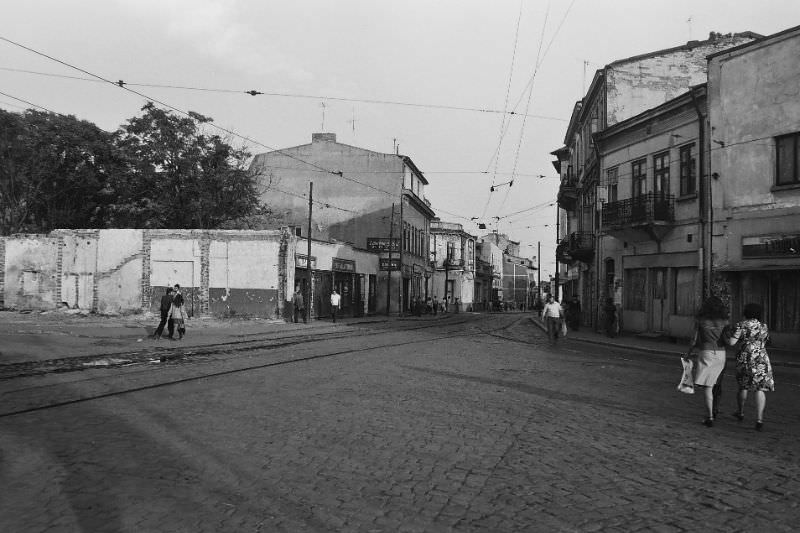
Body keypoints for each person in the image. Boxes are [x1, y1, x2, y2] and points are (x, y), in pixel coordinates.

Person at [726, 303, 774, 431]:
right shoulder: (764, 326)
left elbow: (732, 342)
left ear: (745, 312)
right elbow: (767, 340)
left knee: (743, 386)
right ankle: (759, 419)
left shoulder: (741, 325)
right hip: (761, 359)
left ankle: (740, 412)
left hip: (745, 358)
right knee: (760, 388)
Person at [687, 296, 730, 427]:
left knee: (707, 386)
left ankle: (709, 416)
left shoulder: (700, 320)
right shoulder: (724, 321)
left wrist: (688, 353)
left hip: (706, 352)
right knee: (718, 383)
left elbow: (694, 340)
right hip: (721, 353)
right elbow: (728, 340)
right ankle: (716, 408)